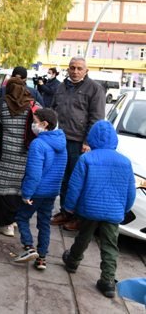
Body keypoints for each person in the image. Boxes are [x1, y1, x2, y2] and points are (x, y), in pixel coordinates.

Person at [62, 120, 135, 298]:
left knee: (84, 237)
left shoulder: (86, 159)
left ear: (92, 138)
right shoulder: (125, 162)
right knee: (110, 245)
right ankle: (108, 281)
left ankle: (72, 262)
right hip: (113, 212)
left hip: (89, 209)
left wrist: (69, 207)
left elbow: (75, 186)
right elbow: (130, 191)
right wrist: (124, 209)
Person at [50, 57, 106, 231]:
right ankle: (65, 212)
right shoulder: (61, 87)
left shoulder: (94, 89)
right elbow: (52, 110)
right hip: (60, 139)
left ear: (86, 70)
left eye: (79, 68)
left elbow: (96, 118)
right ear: (68, 69)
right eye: (72, 68)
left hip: (79, 142)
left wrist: (88, 142)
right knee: (63, 178)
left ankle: (78, 217)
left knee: (77, 180)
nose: (75, 71)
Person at [0, 77, 34, 237]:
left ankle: (4, 224)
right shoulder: (32, 105)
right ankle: (13, 220)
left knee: (0, 190)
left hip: (2, 153)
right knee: (16, 190)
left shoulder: (0, 103)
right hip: (23, 154)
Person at [13, 108, 67, 270]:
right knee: (44, 223)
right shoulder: (62, 143)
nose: (32, 125)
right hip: (52, 191)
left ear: (44, 124)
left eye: (35, 122)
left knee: (22, 217)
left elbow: (34, 173)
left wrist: (26, 193)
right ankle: (42, 258)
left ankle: (29, 248)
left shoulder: (38, 144)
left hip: (37, 191)